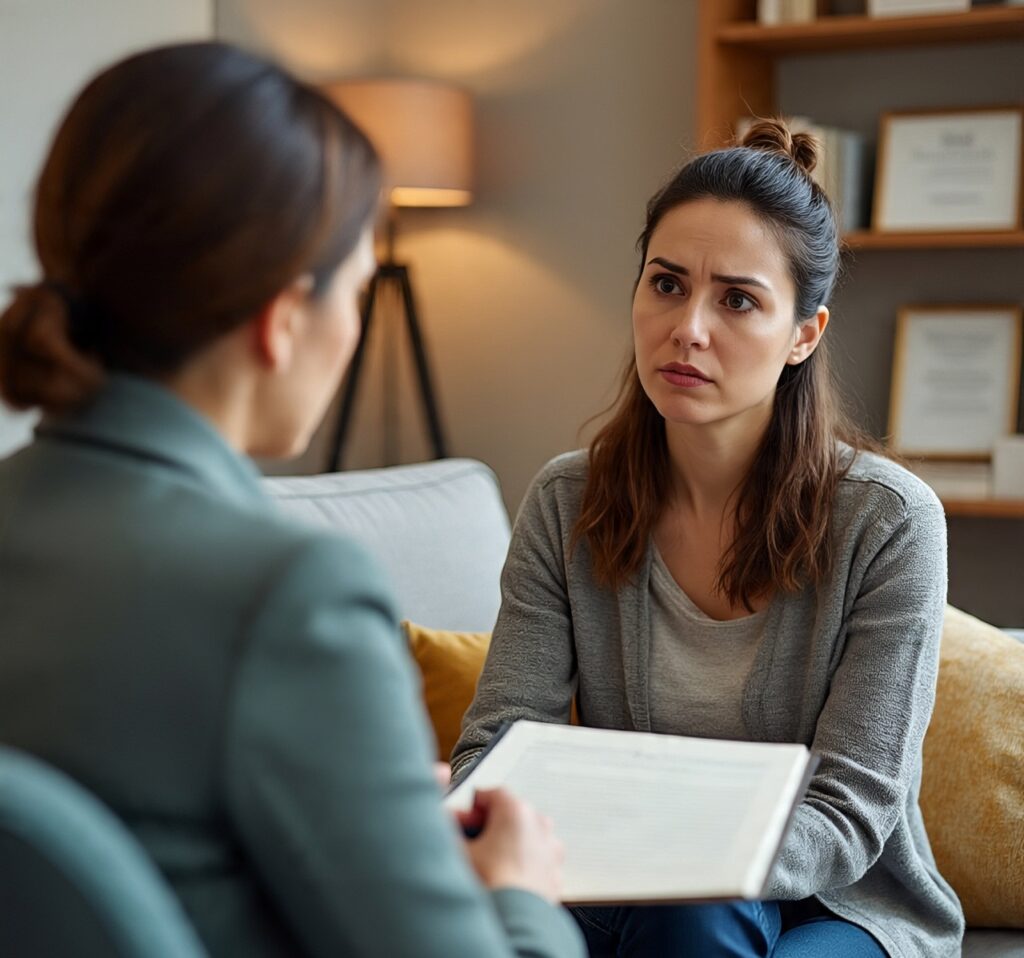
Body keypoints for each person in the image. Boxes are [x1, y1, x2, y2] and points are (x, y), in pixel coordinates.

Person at [0, 42, 584, 958]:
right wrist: (521, 898)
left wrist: (380, 822)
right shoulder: (287, 594)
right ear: (280, 321)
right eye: (354, 294)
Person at [452, 119, 965, 958]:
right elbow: (497, 746)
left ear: (805, 334)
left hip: (840, 904)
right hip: (621, 885)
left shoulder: (890, 521)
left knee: (689, 909)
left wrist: (689, 858)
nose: (689, 328)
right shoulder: (565, 500)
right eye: (666, 284)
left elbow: (852, 808)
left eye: (737, 299)